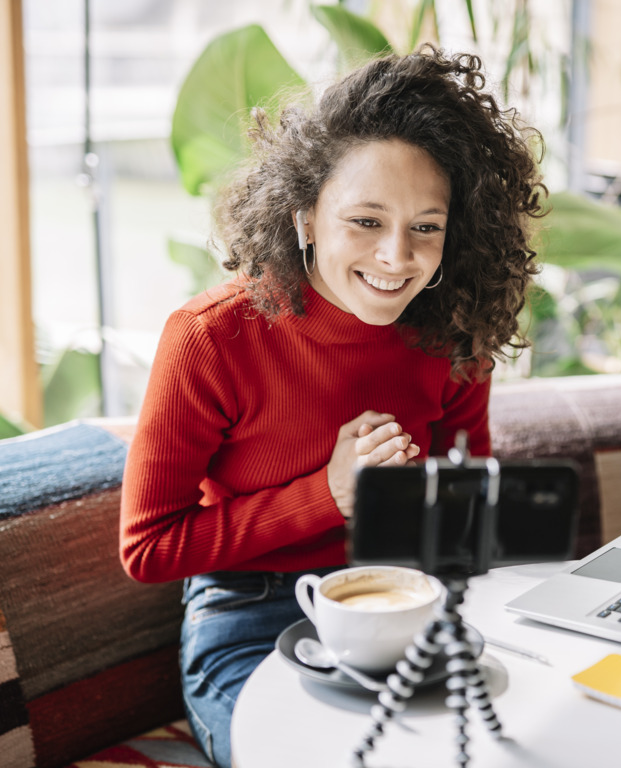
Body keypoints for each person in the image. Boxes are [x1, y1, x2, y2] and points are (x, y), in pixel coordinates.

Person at [119, 44, 545, 768]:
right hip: (250, 615)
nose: (396, 257)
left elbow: (461, 513)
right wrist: (328, 494)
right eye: (366, 221)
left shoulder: (456, 328)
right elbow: (149, 548)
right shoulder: (211, 340)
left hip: (409, 602)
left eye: (426, 227)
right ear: (307, 218)